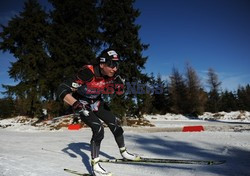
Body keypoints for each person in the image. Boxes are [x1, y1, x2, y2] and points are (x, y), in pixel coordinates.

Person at [57, 49, 140, 176]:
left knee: (115, 124)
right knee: (98, 129)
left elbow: (119, 94)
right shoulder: (87, 73)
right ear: (102, 64)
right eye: (112, 65)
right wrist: (75, 104)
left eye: (117, 65)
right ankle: (95, 166)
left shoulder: (114, 75)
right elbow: (61, 90)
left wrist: (120, 88)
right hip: (82, 102)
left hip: (96, 101)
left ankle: (124, 153)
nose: (115, 69)